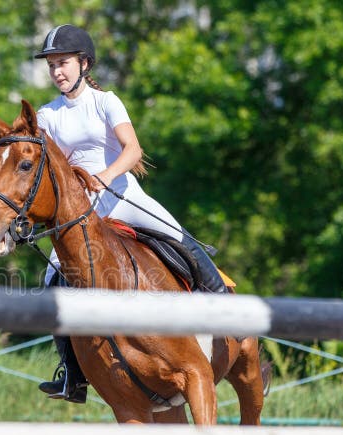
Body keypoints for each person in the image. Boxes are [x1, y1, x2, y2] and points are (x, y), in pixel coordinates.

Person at [33, 24, 227, 403]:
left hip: (120, 195)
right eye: (52, 65)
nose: (57, 71)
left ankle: (226, 311)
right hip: (81, 214)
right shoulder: (47, 115)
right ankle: (72, 374)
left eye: (64, 63)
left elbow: (133, 150)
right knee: (52, 279)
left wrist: (104, 176)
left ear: (84, 64)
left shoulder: (107, 102)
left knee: (179, 237)